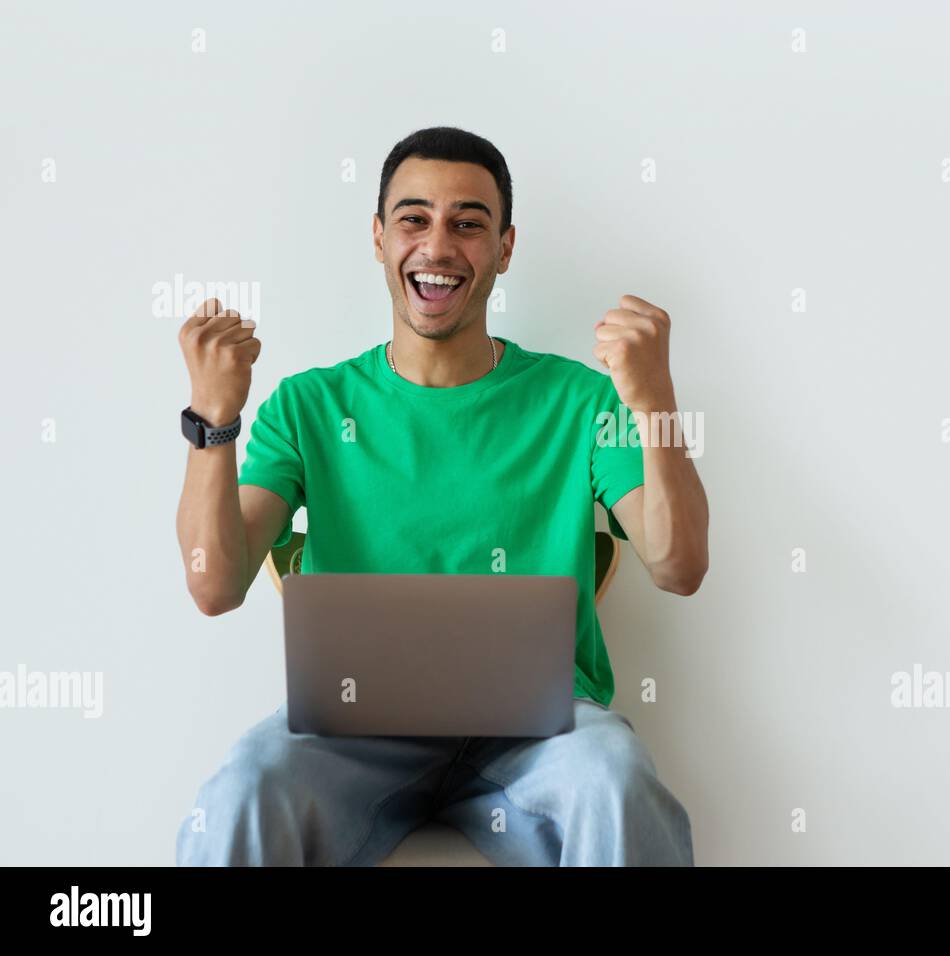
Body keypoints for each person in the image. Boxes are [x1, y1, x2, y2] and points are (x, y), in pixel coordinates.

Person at [173, 126, 709, 866]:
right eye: (413, 218)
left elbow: (679, 565)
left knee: (615, 780)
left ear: (505, 247)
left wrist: (654, 403)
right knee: (241, 792)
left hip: (544, 735)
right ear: (378, 237)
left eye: (468, 223)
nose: (437, 245)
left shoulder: (581, 401)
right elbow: (213, 583)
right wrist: (214, 420)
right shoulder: (309, 406)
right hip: (349, 733)